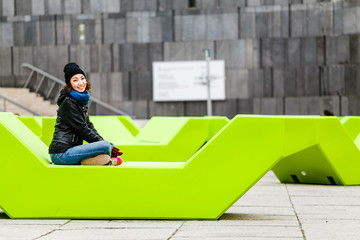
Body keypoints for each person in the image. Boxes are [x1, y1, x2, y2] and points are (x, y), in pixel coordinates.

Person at [48, 62, 123, 166]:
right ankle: (104, 161)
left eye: (82, 78)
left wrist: (105, 144)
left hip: (72, 150)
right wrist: (106, 146)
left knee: (105, 145)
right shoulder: (68, 103)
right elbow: (82, 128)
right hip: (61, 154)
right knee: (106, 145)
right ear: (69, 84)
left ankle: (95, 161)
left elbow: (89, 126)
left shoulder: (79, 101)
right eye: (75, 80)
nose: (80, 83)